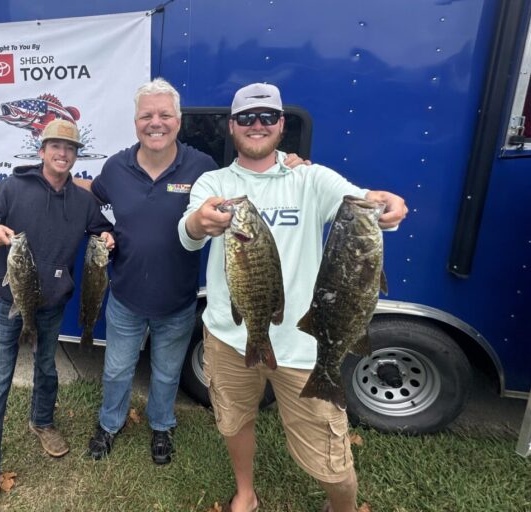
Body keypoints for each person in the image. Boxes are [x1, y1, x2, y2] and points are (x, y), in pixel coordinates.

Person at [178, 83, 407, 512]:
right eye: (246, 118)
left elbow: (362, 204)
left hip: (304, 346)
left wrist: (385, 203)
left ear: (282, 125)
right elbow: (188, 233)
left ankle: (342, 507)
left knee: (330, 454)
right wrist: (198, 224)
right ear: (232, 127)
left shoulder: (312, 178)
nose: (257, 125)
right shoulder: (215, 182)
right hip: (229, 336)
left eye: (267, 117)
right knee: (234, 420)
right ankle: (246, 493)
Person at [75, 78, 307, 465]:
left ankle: (162, 426)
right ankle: (109, 424)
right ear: (135, 122)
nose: (156, 122)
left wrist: (291, 165)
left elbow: (251, 185)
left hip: (179, 301)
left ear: (178, 121)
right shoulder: (115, 167)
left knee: (166, 376)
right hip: (125, 298)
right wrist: (54, 179)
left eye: (165, 114)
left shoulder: (202, 167)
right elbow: (94, 195)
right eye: (147, 115)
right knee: (116, 371)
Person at [0, 119, 114, 512]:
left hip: (52, 306)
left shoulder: (83, 201)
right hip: (8, 306)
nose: (62, 153)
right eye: (55, 146)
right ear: (42, 151)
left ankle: (42, 421)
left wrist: (110, 236)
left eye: (70, 148)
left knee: (47, 368)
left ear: (76, 155)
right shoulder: (13, 188)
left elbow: (103, 229)